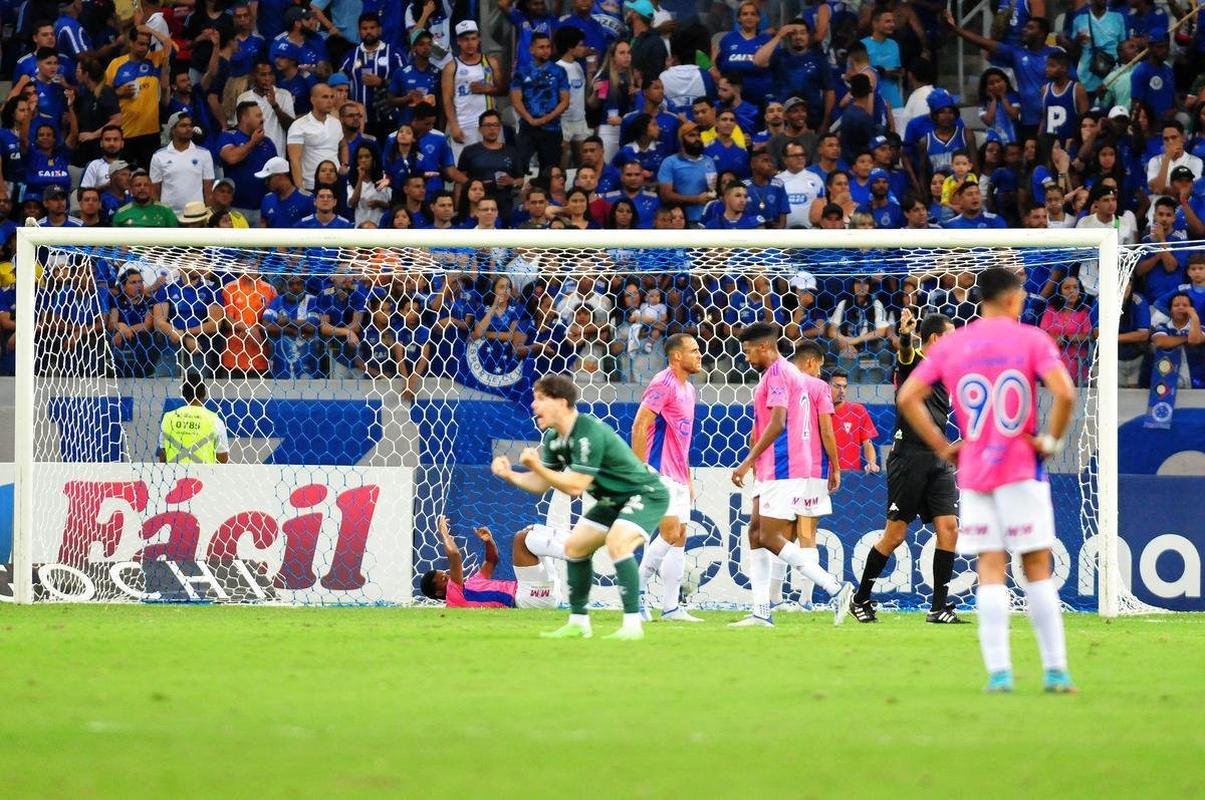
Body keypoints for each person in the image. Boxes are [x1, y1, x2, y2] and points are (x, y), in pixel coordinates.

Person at [897, 266, 1077, 693]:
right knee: (1035, 566)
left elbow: (907, 396)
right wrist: (1049, 439)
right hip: (1021, 466)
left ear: (981, 299)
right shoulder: (1031, 339)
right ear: (1014, 299)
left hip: (976, 470)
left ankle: (999, 674)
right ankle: (1055, 671)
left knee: (990, 568)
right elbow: (1066, 392)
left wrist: (944, 446)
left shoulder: (954, 344)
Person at [490, 374, 672, 640]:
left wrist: (537, 465)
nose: (533, 405)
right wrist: (512, 475)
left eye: (540, 399)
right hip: (612, 500)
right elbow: (541, 485)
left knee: (618, 542)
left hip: (644, 494)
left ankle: (633, 626)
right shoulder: (554, 438)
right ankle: (578, 622)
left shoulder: (587, 432)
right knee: (575, 547)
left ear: (562, 402)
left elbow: (575, 486)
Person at [727, 322, 853, 627]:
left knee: (770, 535)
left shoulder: (780, 373)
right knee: (755, 534)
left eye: (748, 351)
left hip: (783, 466)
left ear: (764, 347)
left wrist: (747, 460)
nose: (745, 357)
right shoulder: (781, 374)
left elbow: (779, 422)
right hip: (774, 467)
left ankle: (835, 589)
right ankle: (761, 612)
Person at [851, 310, 961, 624]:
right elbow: (905, 354)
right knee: (896, 535)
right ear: (937, 338)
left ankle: (939, 607)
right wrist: (905, 336)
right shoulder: (917, 364)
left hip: (938, 458)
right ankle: (861, 599)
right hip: (909, 458)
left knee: (949, 528)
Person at [632, 333, 704, 623]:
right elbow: (640, 424)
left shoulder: (689, 390)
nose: (700, 355)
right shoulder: (664, 383)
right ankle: (634, 591)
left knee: (679, 537)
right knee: (671, 532)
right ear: (676, 356)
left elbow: (681, 438)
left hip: (677, 474)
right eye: (694, 350)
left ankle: (671, 606)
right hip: (657, 471)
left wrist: (687, 479)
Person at [420, 515, 566, 609]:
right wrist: (443, 532)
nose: (449, 577)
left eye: (445, 574)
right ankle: (573, 552)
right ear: (439, 592)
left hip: (544, 596)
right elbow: (454, 555)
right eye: (444, 579)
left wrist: (488, 542)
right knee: (521, 538)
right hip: (528, 599)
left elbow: (491, 561)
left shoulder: (471, 584)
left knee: (532, 529)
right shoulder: (453, 599)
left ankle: (576, 544)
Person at [157, 371, 230, 464]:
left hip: (174, 476)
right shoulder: (215, 420)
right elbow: (223, 459)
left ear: (183, 392)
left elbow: (163, 456)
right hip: (204, 477)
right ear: (204, 392)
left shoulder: (168, 418)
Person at [829, 369, 880, 472]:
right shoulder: (818, 412)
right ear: (826, 387)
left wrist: (871, 463)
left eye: (844, 386)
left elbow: (867, 442)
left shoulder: (858, 410)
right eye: (837, 386)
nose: (842, 391)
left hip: (850, 476)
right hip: (823, 475)